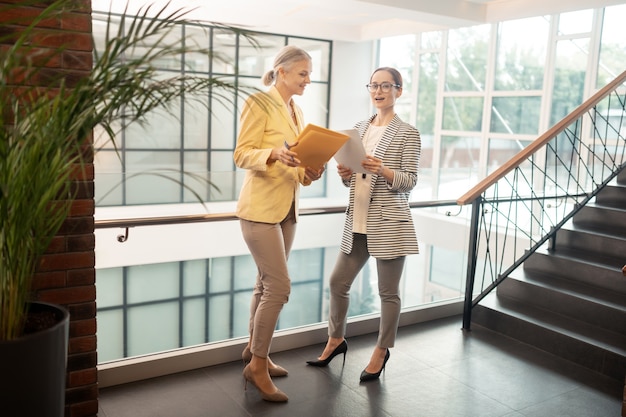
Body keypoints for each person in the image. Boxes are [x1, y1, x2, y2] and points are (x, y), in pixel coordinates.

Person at [306, 67, 420, 382]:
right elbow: (355, 177)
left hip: (389, 222)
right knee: (337, 283)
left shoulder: (408, 132)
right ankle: (336, 339)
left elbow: (409, 182)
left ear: (399, 90)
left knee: (387, 292)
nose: (378, 91)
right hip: (357, 221)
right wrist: (346, 176)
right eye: (373, 85)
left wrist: (383, 170)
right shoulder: (358, 128)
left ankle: (381, 350)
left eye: (386, 86)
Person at [234, 45, 324, 402]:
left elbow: (298, 166)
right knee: (279, 288)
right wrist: (271, 153)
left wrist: (310, 171)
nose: (308, 80)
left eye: (310, 73)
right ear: (282, 72)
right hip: (259, 210)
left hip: (287, 209)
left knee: (263, 285)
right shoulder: (259, 102)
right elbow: (242, 153)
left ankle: (255, 353)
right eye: (302, 73)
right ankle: (256, 365)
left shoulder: (297, 111)